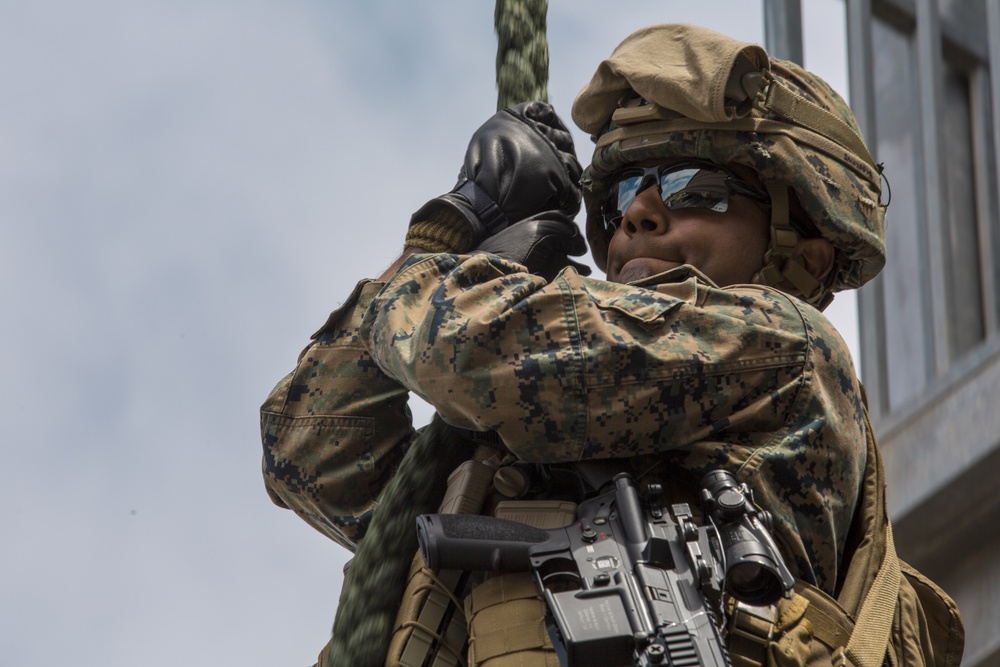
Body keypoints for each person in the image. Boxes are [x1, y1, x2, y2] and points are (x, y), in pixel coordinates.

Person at [261, 23, 960, 667]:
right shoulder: (531, 420)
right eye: (624, 190)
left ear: (802, 252)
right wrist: (445, 236)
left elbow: (460, 347)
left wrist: (448, 261)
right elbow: (313, 447)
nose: (638, 212)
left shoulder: (785, 351)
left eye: (695, 186)